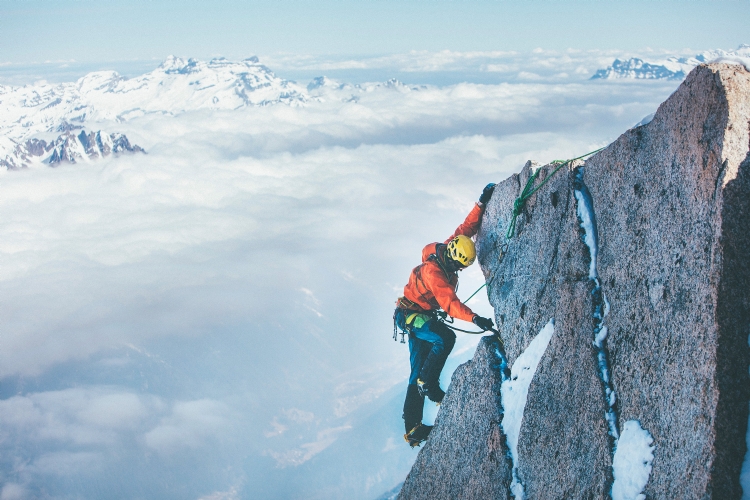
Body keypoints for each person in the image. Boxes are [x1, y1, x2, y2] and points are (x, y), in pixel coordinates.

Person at [394, 183, 497, 447]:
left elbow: (467, 228)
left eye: (460, 267)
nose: (457, 270)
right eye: (457, 265)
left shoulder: (449, 249)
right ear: (452, 257)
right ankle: (428, 385)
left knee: (418, 368)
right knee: (445, 338)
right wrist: (475, 318)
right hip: (412, 316)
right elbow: (449, 303)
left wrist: (482, 202)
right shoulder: (434, 272)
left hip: (417, 315)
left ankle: (413, 428)